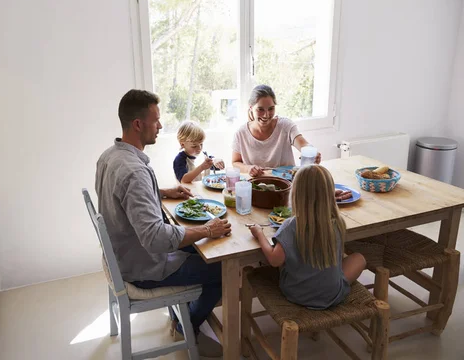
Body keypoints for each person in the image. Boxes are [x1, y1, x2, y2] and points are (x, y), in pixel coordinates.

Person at [95, 89, 232, 357]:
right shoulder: (135, 171)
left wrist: (162, 192)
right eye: (156, 120)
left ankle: (184, 315)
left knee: (205, 248)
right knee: (224, 269)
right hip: (145, 267)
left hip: (125, 255)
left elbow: (123, 198)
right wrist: (207, 229)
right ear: (138, 124)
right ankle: (187, 326)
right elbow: (156, 238)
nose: (160, 126)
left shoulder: (110, 157)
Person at [249, 165, 366, 309]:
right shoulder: (338, 222)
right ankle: (327, 283)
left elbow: (274, 260)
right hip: (332, 295)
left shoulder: (291, 225)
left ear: (296, 194)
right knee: (359, 258)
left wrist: (259, 233)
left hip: (296, 294)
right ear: (330, 193)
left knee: (282, 260)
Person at [231, 84, 322, 178]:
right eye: (260, 109)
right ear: (251, 108)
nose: (266, 115)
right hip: (257, 184)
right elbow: (235, 162)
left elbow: (303, 144)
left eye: (271, 109)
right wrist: (248, 168)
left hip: (286, 183)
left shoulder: (285, 125)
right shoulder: (241, 133)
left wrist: (311, 151)